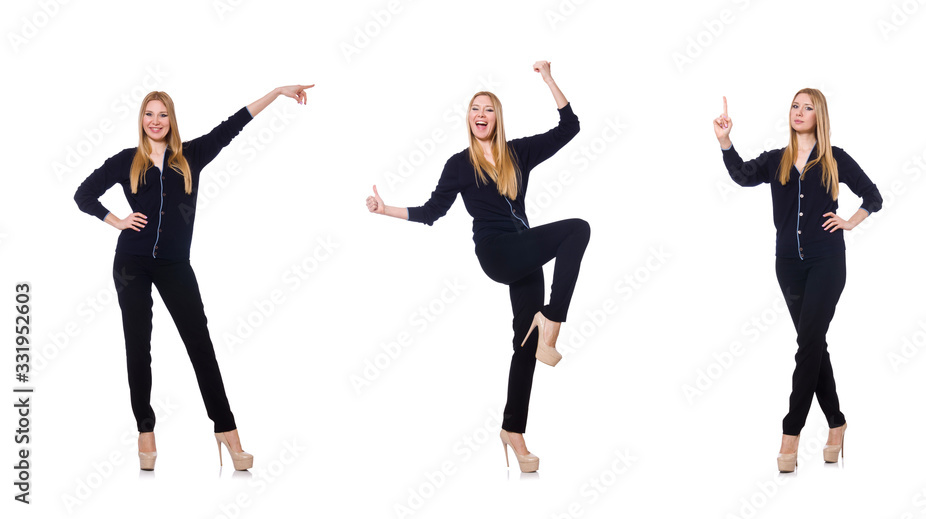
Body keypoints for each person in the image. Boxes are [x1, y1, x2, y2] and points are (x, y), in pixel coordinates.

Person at [74, 85, 313, 471]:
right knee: (138, 346)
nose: (155, 121)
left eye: (162, 114)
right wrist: (117, 221)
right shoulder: (125, 161)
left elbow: (234, 125)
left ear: (171, 120)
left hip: (174, 266)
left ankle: (227, 431)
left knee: (200, 345)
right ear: (141, 120)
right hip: (131, 263)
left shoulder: (190, 157)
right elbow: (83, 193)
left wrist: (277, 92)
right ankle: (145, 431)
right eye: (149, 114)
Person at [366, 61, 589, 473]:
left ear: (496, 118)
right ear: (468, 119)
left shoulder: (518, 153)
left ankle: (513, 432)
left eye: (487, 109)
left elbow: (569, 127)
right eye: (474, 109)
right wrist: (385, 211)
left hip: (524, 249)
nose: (480, 115)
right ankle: (553, 323)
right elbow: (432, 211)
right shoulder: (459, 164)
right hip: (497, 252)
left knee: (524, 342)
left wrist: (548, 79)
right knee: (577, 229)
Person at [713, 89, 882, 472]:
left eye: (808, 107)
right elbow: (742, 175)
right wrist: (725, 141)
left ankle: (791, 433)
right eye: (795, 106)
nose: (799, 112)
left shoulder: (836, 158)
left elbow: (873, 195)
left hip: (827, 262)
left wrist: (849, 222)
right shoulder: (777, 160)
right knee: (813, 344)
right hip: (788, 265)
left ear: (819, 115)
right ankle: (837, 424)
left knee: (807, 344)